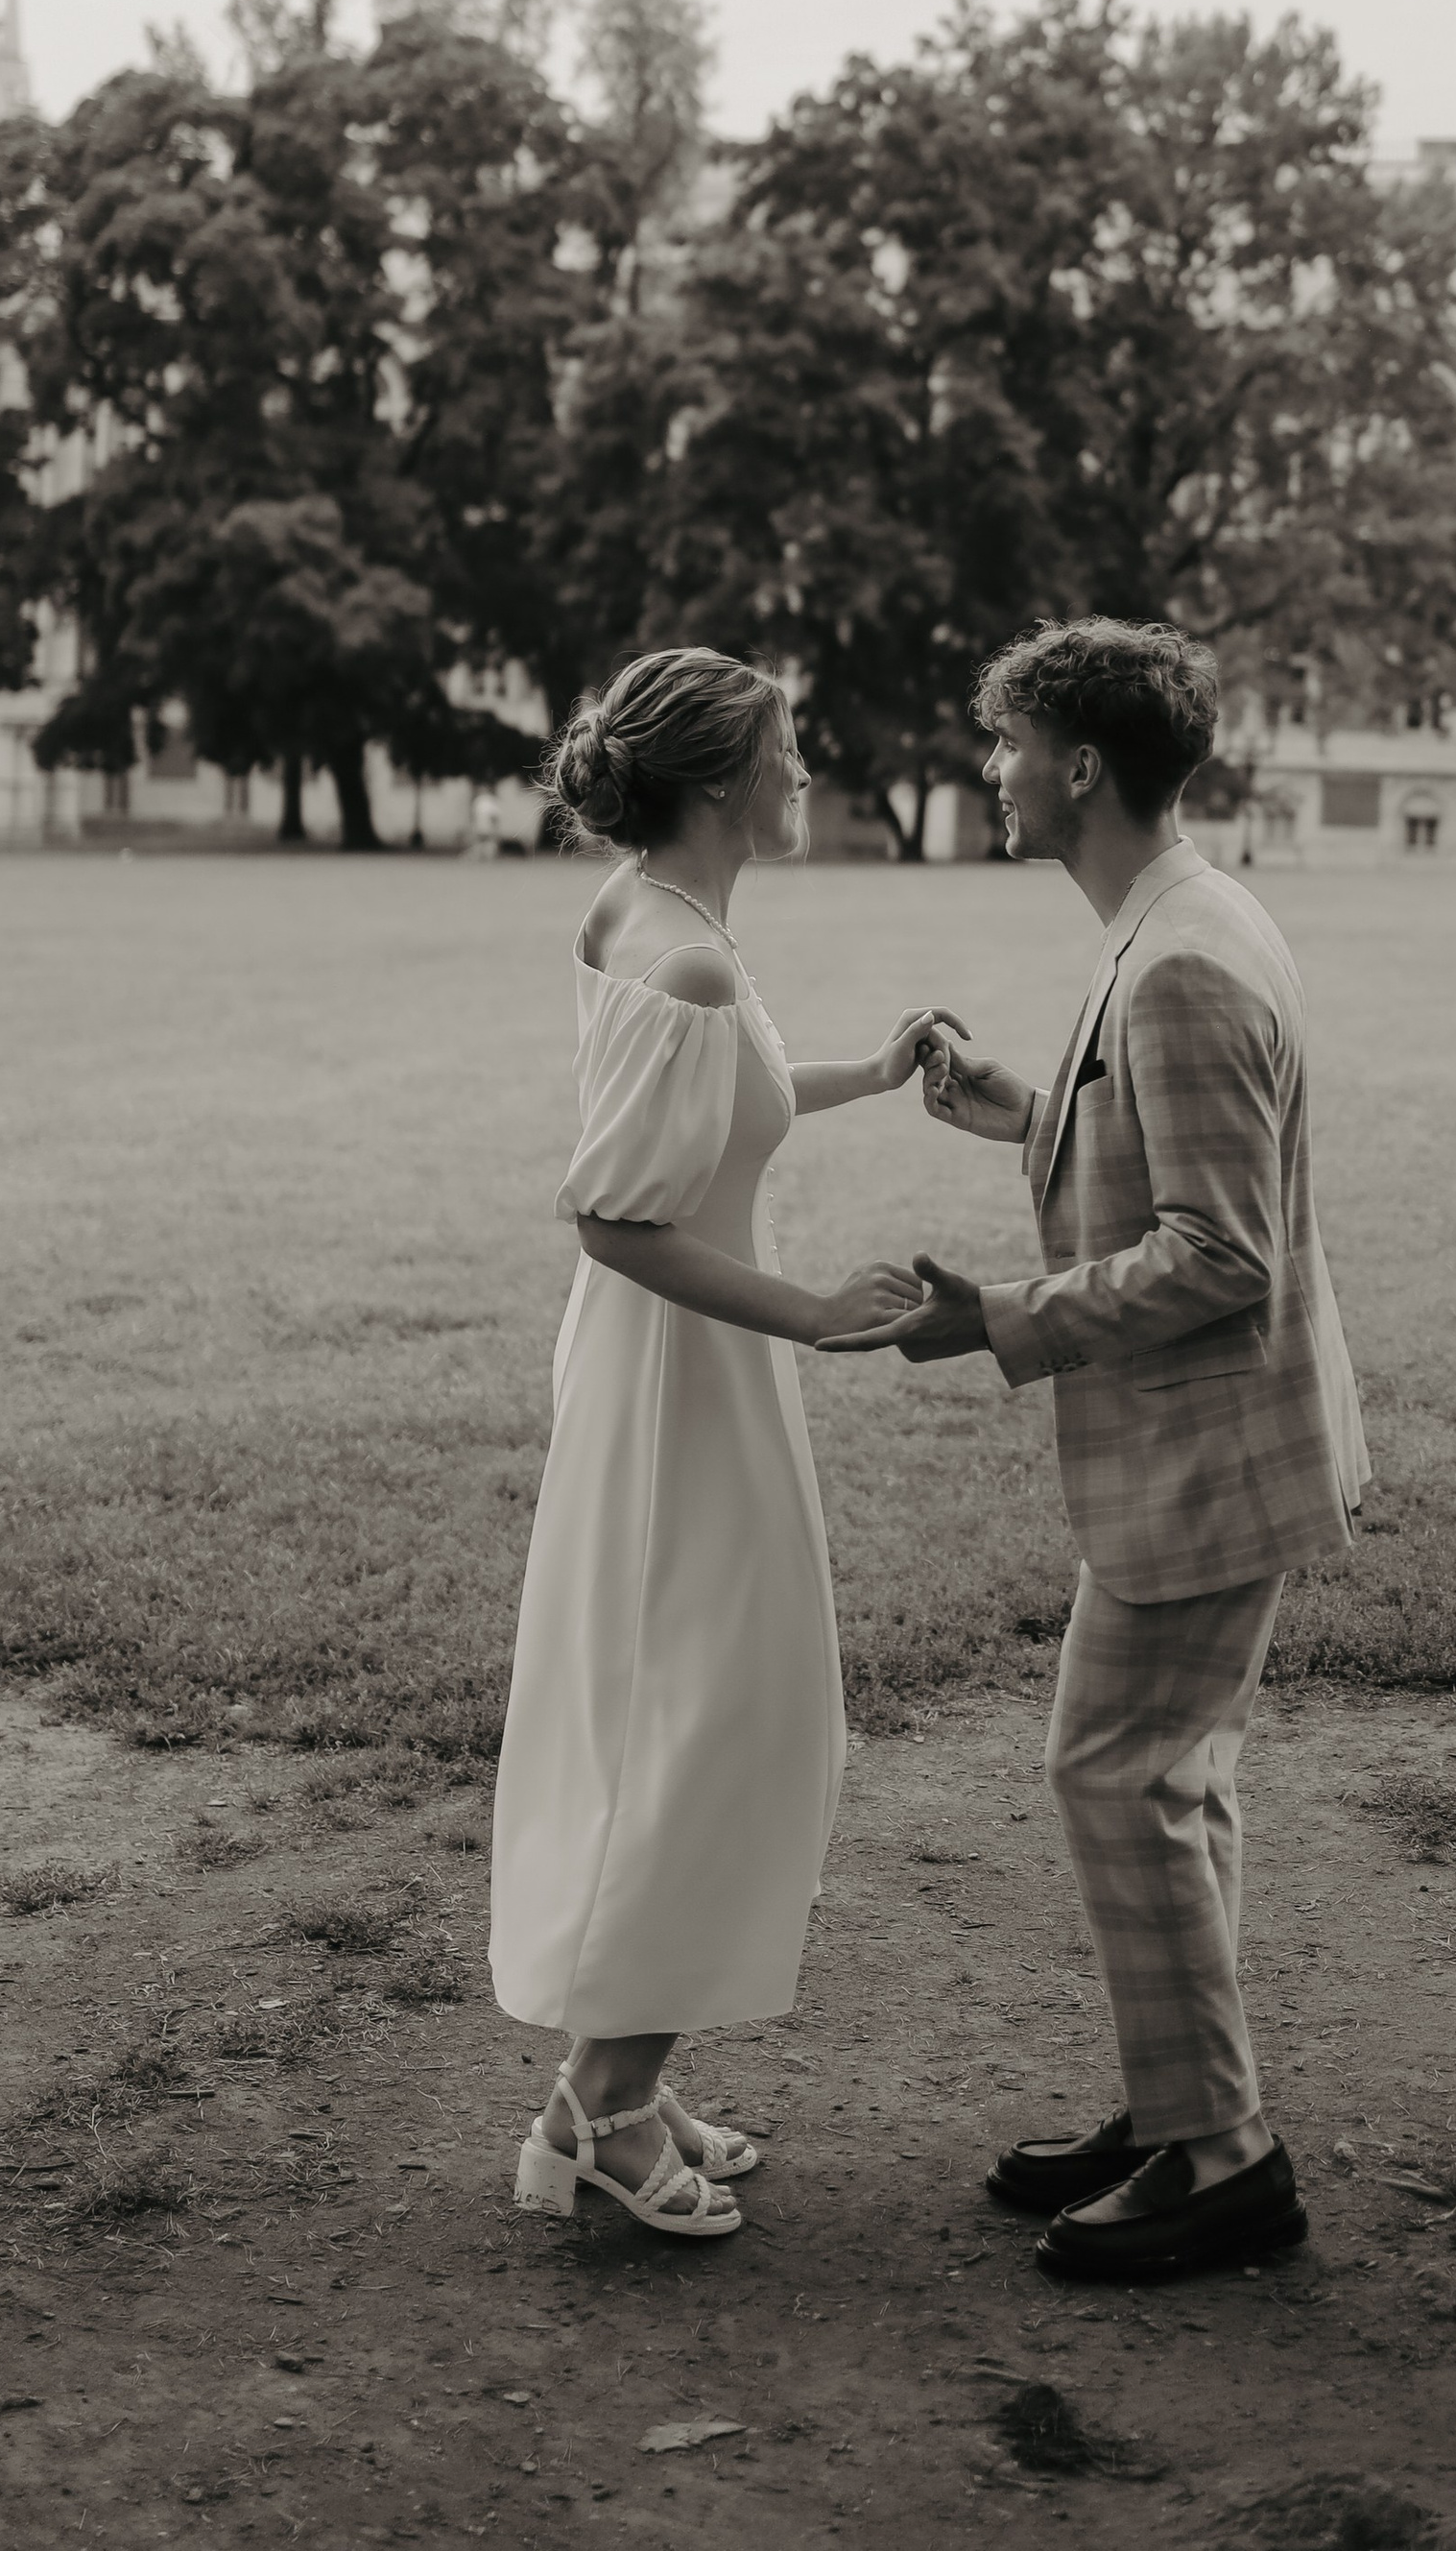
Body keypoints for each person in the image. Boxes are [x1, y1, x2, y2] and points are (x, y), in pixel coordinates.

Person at [823, 616, 1370, 2285]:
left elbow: (1219, 1252)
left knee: (1116, 1771)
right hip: (1211, 1451)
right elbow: (1160, 1140)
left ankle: (1224, 2162)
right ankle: (1181, 2108)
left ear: (1078, 766)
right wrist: (1022, 1106)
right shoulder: (1180, 917)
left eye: (1009, 747)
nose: (991, 771)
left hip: (1208, 1458)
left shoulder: (1183, 957)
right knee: (1162, 1777)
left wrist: (997, 1318)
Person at [491, 645, 944, 2241]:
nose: (805, 772)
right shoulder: (678, 955)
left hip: (687, 1370)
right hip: (684, 1378)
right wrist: (812, 1312)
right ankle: (602, 2114)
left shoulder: (650, 913)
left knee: (705, 1712)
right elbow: (616, 1216)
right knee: (718, 1725)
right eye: (785, 751)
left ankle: (615, 2082)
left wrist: (870, 1073)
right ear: (718, 779)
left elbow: (713, 1107)